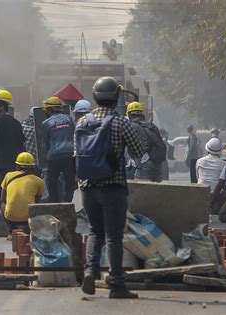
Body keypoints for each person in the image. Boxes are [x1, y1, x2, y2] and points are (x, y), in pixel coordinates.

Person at [78, 76, 143, 299]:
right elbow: (138, 151)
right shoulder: (120, 122)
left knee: (95, 231)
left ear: (95, 97)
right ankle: (116, 284)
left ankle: (89, 271)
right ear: (116, 97)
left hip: (87, 187)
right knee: (114, 236)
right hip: (113, 186)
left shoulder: (83, 122)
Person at [42, 96, 75, 202]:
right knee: (70, 183)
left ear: (49, 109)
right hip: (70, 155)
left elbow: (44, 143)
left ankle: (55, 205)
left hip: (54, 156)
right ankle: (67, 204)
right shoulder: (69, 119)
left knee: (52, 184)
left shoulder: (46, 123)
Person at [0, 152, 44, 234]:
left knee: (2, 205)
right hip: (29, 217)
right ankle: (33, 229)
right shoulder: (39, 181)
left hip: (11, 218)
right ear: (33, 167)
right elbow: (37, 203)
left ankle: (11, 230)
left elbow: (3, 198)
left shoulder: (8, 176)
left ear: (17, 166)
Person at [127, 102, 166, 182]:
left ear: (129, 114)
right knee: (156, 190)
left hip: (145, 162)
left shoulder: (132, 126)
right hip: (157, 162)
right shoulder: (151, 125)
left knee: (140, 190)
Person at [196, 138, 226, 214]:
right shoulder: (224, 164)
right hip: (217, 195)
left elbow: (198, 177)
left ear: (207, 150)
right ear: (219, 151)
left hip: (201, 193)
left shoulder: (199, 161)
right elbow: (224, 183)